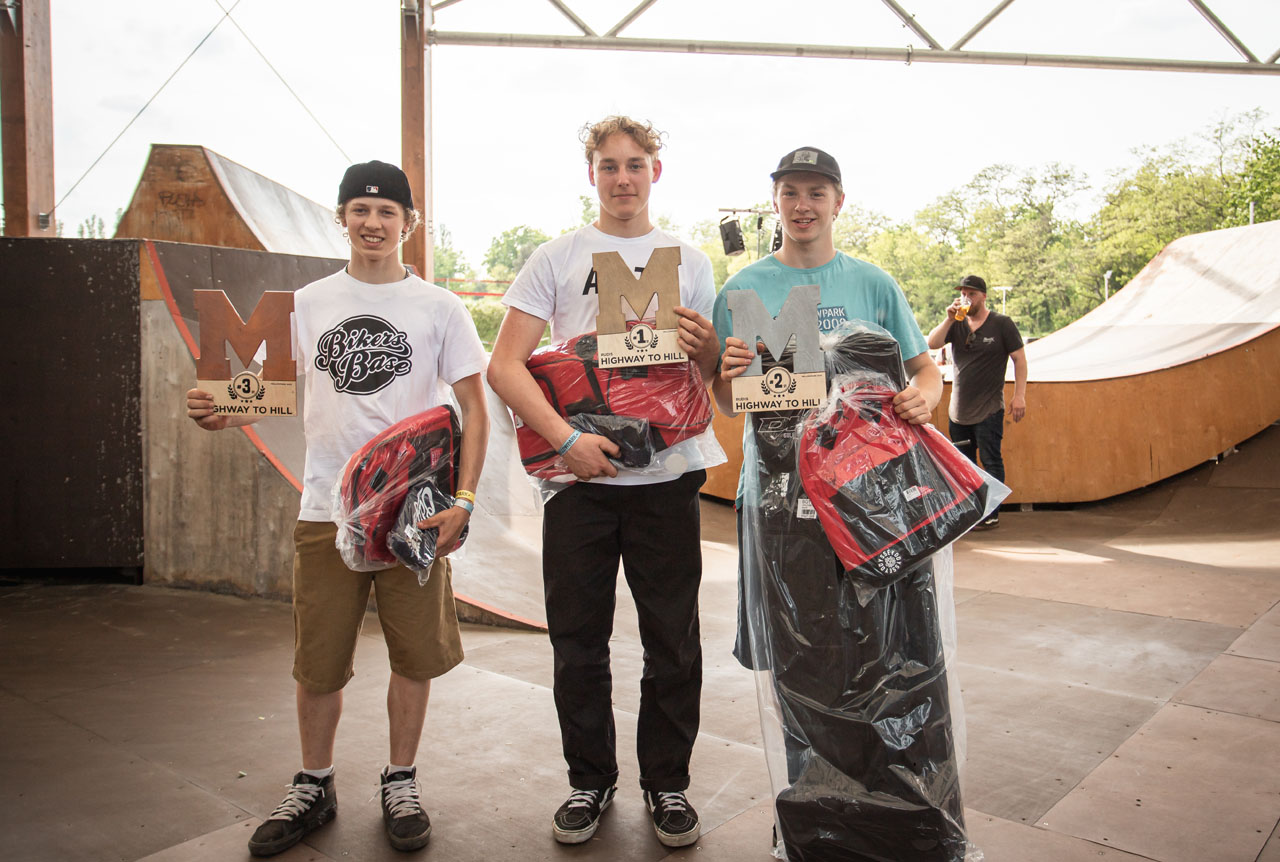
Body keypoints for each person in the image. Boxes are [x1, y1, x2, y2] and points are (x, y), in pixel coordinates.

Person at [185, 160, 489, 856]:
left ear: (409, 224)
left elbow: (475, 408)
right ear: (342, 218)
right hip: (326, 510)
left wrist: (464, 500)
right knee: (317, 659)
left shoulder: (439, 307)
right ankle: (313, 783)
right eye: (359, 209)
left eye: (387, 213)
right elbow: (270, 390)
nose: (373, 223)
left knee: (413, 656)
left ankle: (401, 779)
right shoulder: (309, 303)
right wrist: (220, 412)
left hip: (413, 512)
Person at [712, 148, 970, 860]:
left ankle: (904, 811)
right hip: (779, 511)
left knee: (895, 660)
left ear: (838, 202)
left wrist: (928, 395)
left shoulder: (872, 282)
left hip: (872, 509)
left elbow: (922, 370)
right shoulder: (747, 286)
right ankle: (812, 813)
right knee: (801, 663)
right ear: (775, 202)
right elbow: (728, 402)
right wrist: (730, 374)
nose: (803, 205)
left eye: (816, 192)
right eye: (790, 192)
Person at [486, 116, 719, 849]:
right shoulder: (555, 258)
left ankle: (668, 783)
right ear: (592, 173)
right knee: (578, 643)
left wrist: (711, 348)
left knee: (673, 642)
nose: (624, 178)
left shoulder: (690, 259)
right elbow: (505, 365)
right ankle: (589, 781)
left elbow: (703, 379)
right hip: (581, 481)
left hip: (669, 478)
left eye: (636, 164)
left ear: (657, 172)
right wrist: (566, 440)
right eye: (610, 165)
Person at [926, 273, 1027, 529]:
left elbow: (1019, 359)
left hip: (989, 408)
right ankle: (972, 510)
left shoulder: (1001, 324)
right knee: (964, 461)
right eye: (962, 293)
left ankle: (992, 511)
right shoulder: (957, 323)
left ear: (983, 296)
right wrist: (949, 319)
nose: (966, 298)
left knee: (991, 460)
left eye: (971, 294)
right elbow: (932, 343)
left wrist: (1019, 395)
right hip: (959, 410)